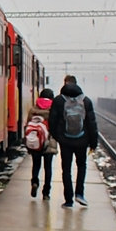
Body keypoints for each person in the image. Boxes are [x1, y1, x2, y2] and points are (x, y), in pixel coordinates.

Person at [48, 75, 98, 208]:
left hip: (65, 141)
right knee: (81, 167)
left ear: (65, 84)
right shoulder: (86, 101)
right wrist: (93, 143)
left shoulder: (59, 100)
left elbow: (52, 121)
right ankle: (80, 194)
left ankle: (68, 200)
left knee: (66, 169)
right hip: (82, 140)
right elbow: (92, 124)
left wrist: (58, 137)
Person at [26, 88, 57, 199]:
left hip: (36, 142)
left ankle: (35, 182)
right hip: (49, 142)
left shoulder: (33, 109)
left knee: (36, 165)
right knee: (48, 168)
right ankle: (46, 193)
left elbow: (27, 124)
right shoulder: (53, 109)